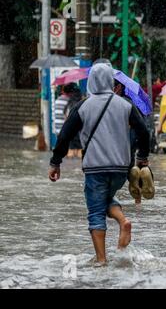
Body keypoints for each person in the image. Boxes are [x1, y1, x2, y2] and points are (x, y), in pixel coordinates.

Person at [48, 64, 151, 266]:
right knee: (106, 199)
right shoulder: (125, 105)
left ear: (93, 81)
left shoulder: (83, 106)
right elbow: (144, 132)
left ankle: (101, 261)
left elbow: (65, 136)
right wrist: (142, 158)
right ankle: (123, 221)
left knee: (95, 211)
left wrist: (55, 162)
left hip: (95, 168)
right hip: (121, 168)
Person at [63, 84, 83, 159]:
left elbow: (65, 116)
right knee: (80, 155)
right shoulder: (83, 103)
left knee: (70, 154)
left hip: (71, 132)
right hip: (80, 133)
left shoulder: (69, 104)